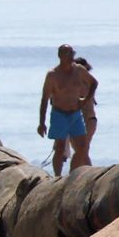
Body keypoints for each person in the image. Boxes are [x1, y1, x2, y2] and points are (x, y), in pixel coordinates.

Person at [38, 43, 95, 176]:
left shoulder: (79, 70)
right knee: (60, 147)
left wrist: (85, 99)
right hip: (59, 114)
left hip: (75, 114)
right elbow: (44, 99)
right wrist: (41, 123)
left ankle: (72, 175)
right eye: (69, 54)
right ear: (60, 56)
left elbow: (94, 83)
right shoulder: (52, 75)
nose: (72, 56)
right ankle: (58, 177)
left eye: (73, 53)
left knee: (82, 147)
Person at [74, 56, 100, 169]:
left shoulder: (85, 84)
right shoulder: (81, 83)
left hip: (88, 120)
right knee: (81, 151)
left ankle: (88, 172)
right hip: (81, 120)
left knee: (82, 150)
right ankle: (85, 171)